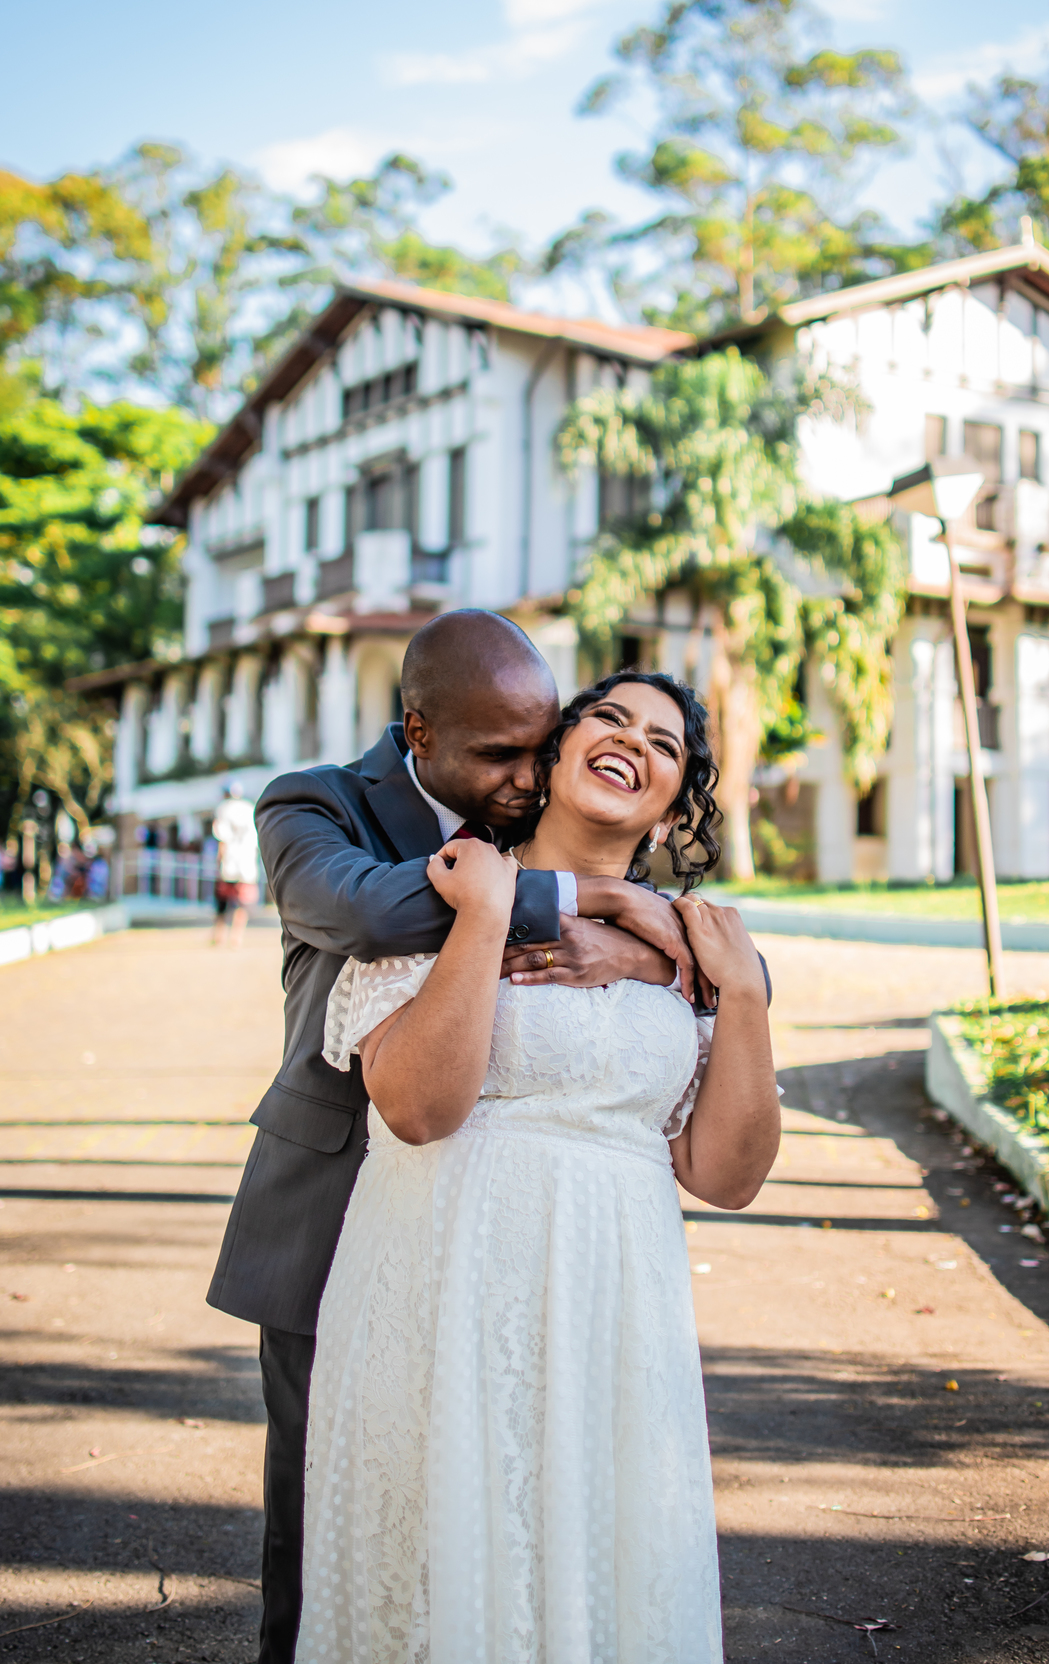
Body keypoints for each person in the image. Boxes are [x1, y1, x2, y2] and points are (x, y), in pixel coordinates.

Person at [208, 612, 705, 1664]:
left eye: (542, 746)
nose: (528, 777)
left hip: (502, 1232)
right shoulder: (317, 803)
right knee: (328, 1532)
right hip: (335, 1202)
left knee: (509, 1509)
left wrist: (648, 954)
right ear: (419, 733)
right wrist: (592, 898)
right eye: (501, 755)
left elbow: (692, 962)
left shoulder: (542, 816)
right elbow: (361, 911)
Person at [295, 671, 780, 1662]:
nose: (632, 741)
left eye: (665, 742)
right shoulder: (435, 889)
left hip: (614, 1316)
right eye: (608, 717)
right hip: (441, 1295)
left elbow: (727, 1174)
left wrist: (740, 993)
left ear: (676, 798)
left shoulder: (694, 945)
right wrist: (486, 916)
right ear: (552, 753)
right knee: (435, 1581)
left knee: (601, 1582)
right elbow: (420, 1108)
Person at [211, 782, 261, 945]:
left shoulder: (223, 809)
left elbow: (222, 837)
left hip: (229, 862)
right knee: (243, 904)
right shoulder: (250, 807)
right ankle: (236, 937)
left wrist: (218, 861)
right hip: (247, 862)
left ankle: (218, 936)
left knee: (222, 902)